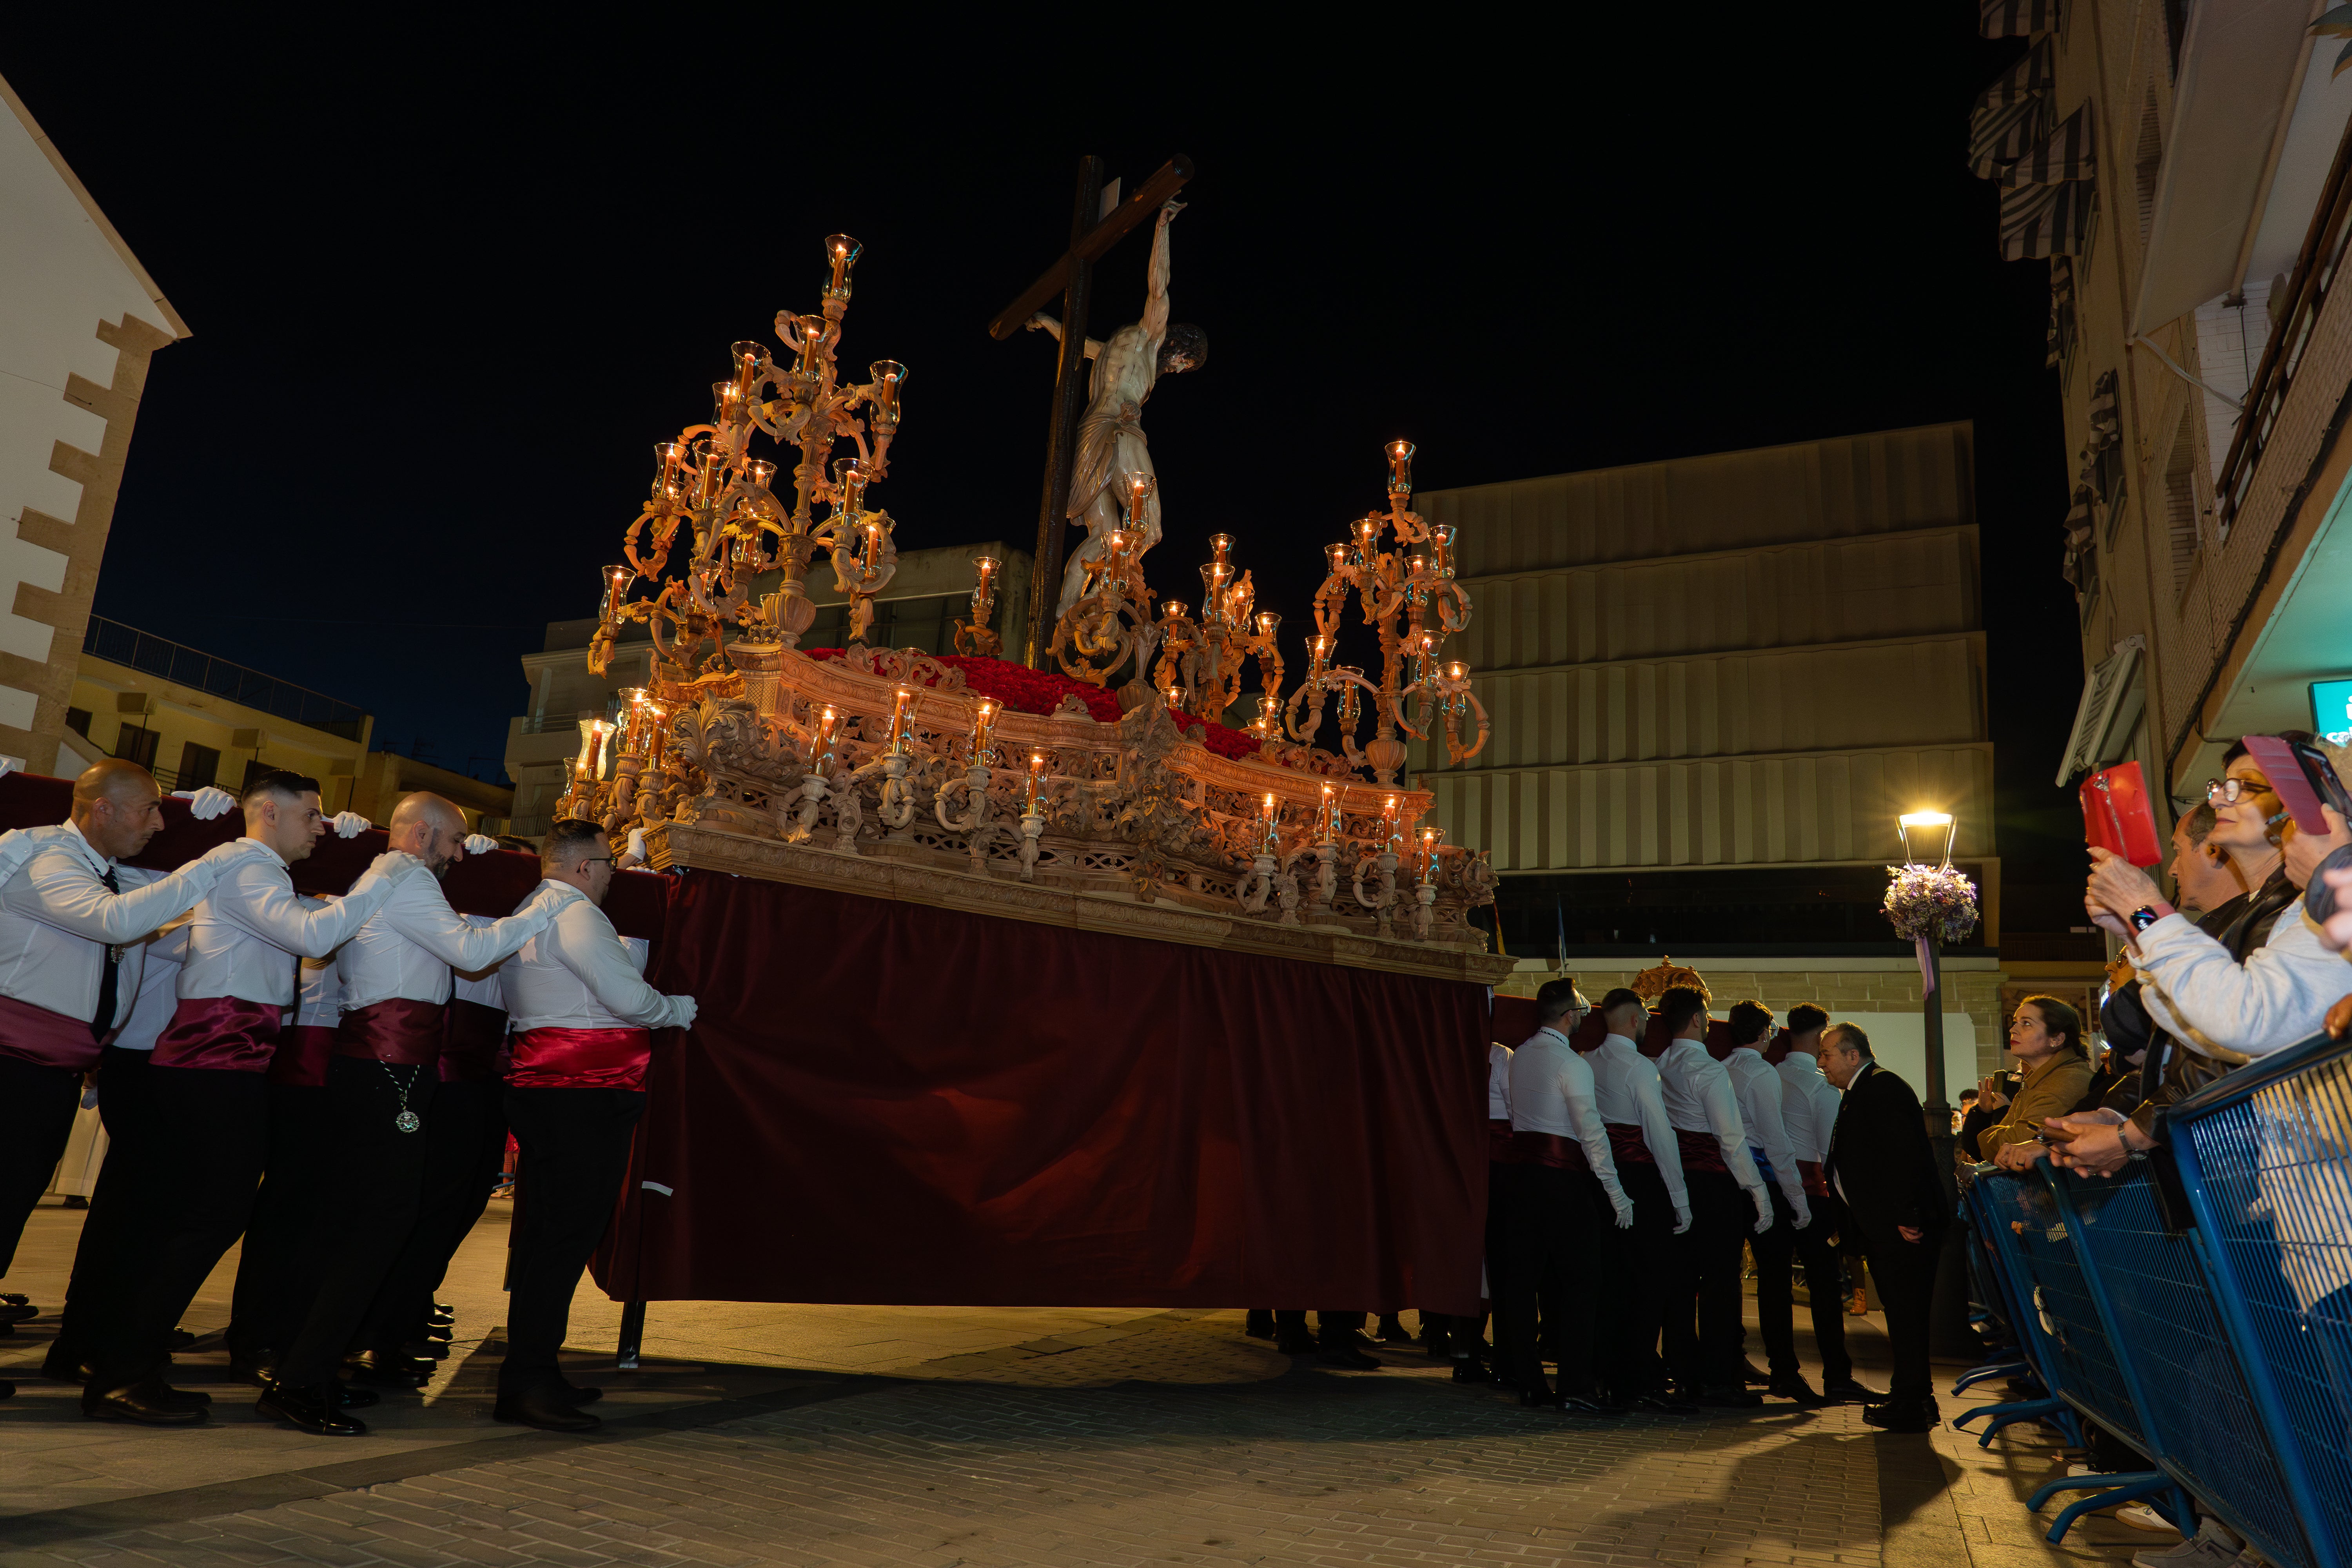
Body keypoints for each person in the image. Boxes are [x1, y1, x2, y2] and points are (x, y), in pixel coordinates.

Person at [77, 771, 415, 1425]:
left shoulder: (254, 868)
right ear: (267, 813)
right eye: (311, 816)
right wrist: (383, 877)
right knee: (208, 1217)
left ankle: (124, 1361)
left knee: (203, 1216)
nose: (321, 828)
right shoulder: (250, 866)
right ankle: (122, 1369)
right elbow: (315, 940)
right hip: (212, 1059)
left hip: (227, 1060)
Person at [259, 793, 560, 1436]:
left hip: (387, 1068)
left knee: (365, 1221)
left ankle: (311, 1368)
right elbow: (473, 954)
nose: (459, 854)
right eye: (454, 842)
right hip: (384, 1070)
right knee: (379, 1223)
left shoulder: (397, 877)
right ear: (423, 835)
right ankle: (302, 1378)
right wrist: (546, 905)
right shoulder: (405, 876)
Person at [0, 763, 244, 1402]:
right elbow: (113, 923)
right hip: (10, 1067)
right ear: (102, 809)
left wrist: (199, 822)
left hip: (47, 1071)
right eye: (150, 811)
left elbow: (142, 916)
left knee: (8, 1213)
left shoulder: (112, 874)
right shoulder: (43, 857)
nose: (159, 824)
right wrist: (214, 860)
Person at [2060, 740, 2352, 1174]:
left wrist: (2147, 913)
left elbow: (2245, 1015)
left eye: (2245, 787)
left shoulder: (2307, 906)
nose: (2217, 798)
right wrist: (2138, 931)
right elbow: (2205, 1028)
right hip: (2297, 1171)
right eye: (2222, 785)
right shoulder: (2286, 906)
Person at [496, 820, 696, 1431]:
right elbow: (628, 998)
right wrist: (677, 1011)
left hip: (550, 1086)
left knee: (549, 1234)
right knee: (564, 1238)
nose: (612, 874)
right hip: (582, 1091)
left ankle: (534, 1370)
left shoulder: (532, 907)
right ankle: (527, 1381)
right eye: (608, 863)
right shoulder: (577, 914)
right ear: (584, 866)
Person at [1501, 979, 1631, 1414]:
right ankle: (1574, 1384)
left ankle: (1528, 1381)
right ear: (1570, 1015)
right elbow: (1591, 1134)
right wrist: (1617, 1193)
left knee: (1521, 1283)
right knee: (1582, 1282)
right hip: (1562, 1183)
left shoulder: (1518, 1057)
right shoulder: (1571, 1064)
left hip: (1521, 1179)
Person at [1820, 1021, 1947, 1432]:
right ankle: (1910, 1395)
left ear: (1852, 1055)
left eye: (1827, 1054)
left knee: (1907, 1314)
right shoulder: (1861, 1090)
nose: (1821, 1062)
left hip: (1903, 1227)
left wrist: (1908, 1216)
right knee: (1901, 1313)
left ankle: (1913, 1401)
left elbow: (1905, 1157)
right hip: (1885, 1225)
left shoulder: (1883, 1087)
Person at [1652, 985, 1772, 1406]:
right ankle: (1720, 1378)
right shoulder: (1708, 1069)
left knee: (1680, 1280)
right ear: (1699, 1020)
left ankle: (1683, 1373)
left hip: (1673, 1179)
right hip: (1713, 1183)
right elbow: (1731, 1139)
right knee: (1721, 1281)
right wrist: (1758, 1190)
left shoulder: (1659, 1063)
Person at [1586, 987, 1695, 1412]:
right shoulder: (1638, 1067)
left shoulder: (1589, 1061)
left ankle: (1607, 1373)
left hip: (1600, 1177)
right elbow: (1659, 1134)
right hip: (1641, 1180)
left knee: (1608, 1281)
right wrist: (1680, 1197)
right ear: (1634, 1021)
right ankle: (1638, 1379)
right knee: (1647, 1284)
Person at [1721, 1000, 1824, 1405]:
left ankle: (1733, 1357)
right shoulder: (1760, 1071)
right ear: (1764, 1033)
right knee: (1775, 1278)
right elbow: (1776, 1142)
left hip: (1727, 1179)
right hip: (1762, 1177)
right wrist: (1797, 1197)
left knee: (1728, 1275)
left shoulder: (1723, 1066)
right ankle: (1785, 1369)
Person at [1771, 1004, 1871, 1402]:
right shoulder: (1820, 1086)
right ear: (1819, 1038)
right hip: (1812, 1190)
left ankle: (1783, 1370)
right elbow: (1832, 1148)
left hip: (1771, 1186)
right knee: (1825, 1285)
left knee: (1775, 1283)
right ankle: (1837, 1373)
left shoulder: (1769, 1075)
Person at [1976, 997, 2094, 1172]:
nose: (2013, 1030)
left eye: (2027, 1024)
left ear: (2056, 1038)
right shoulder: (2039, 1077)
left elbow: (2014, 1141)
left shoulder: (2065, 1081)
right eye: (2016, 1022)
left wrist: (1987, 1136)